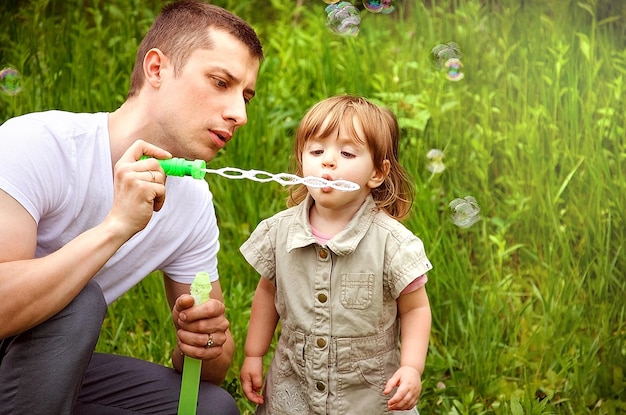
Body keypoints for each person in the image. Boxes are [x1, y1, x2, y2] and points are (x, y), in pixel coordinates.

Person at [0, 1, 263, 414]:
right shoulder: (39, 144)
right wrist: (116, 227)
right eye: (219, 82)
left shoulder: (192, 204)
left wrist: (204, 340)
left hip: (45, 374)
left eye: (246, 95)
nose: (239, 113)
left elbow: (210, 369)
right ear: (156, 69)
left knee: (211, 407)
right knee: (81, 302)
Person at [239, 95, 433, 415]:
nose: (328, 161)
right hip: (294, 389)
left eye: (346, 153)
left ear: (377, 173)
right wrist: (253, 354)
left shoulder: (392, 243)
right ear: (302, 163)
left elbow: (415, 309)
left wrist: (412, 367)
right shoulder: (279, 232)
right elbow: (267, 292)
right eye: (317, 151)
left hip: (368, 396)